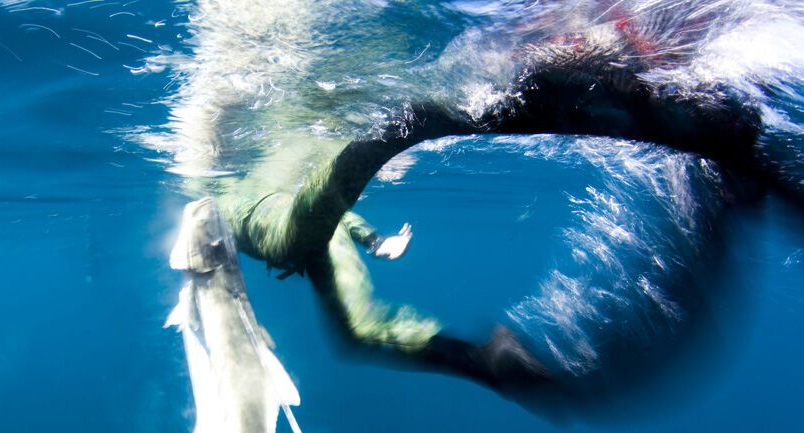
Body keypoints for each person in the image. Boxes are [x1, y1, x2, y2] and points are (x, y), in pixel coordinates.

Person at [216, 15, 795, 403]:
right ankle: (487, 363)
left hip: (289, 210)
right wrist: (369, 237)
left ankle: (484, 362)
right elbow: (317, 216)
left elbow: (290, 217)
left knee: (320, 266)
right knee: (355, 324)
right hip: (316, 211)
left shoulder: (228, 191)